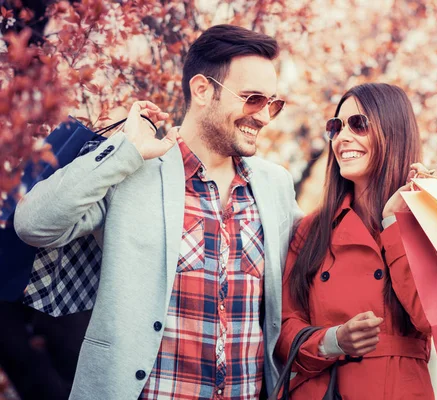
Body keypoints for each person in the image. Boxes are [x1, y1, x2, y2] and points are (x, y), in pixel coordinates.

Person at [14, 24, 302, 400]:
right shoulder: (132, 169)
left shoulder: (275, 185)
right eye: (252, 100)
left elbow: (314, 270)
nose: (264, 117)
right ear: (202, 90)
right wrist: (124, 151)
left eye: (272, 104)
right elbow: (33, 225)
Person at [275, 83, 437, 399]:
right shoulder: (311, 230)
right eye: (336, 127)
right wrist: (334, 340)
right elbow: (282, 329)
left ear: (393, 132)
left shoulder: (428, 219)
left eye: (358, 124)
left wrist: (394, 221)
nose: (343, 137)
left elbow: (431, 317)